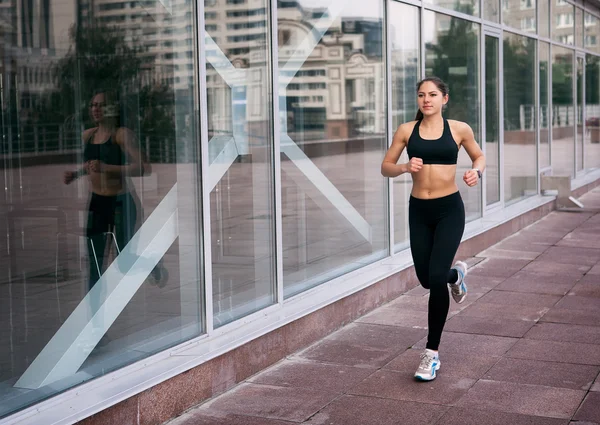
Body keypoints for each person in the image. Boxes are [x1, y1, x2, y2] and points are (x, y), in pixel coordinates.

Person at [381, 77, 485, 381]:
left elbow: (478, 156)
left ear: (444, 99)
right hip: (419, 211)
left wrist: (475, 172)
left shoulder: (459, 129)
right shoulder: (406, 131)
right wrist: (403, 167)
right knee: (428, 280)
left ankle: (431, 354)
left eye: (433, 94)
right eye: (422, 95)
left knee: (435, 277)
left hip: (449, 209)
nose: (427, 99)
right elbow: (385, 166)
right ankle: (457, 275)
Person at [64, 89, 167, 291]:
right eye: (93, 105)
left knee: (123, 262)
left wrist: (107, 168)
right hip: (97, 203)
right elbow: (92, 164)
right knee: (95, 263)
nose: (96, 109)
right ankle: (93, 317)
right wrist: (76, 174)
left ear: (112, 109)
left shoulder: (121, 135)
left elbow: (145, 168)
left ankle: (151, 265)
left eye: (101, 105)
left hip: (121, 203)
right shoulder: (88, 135)